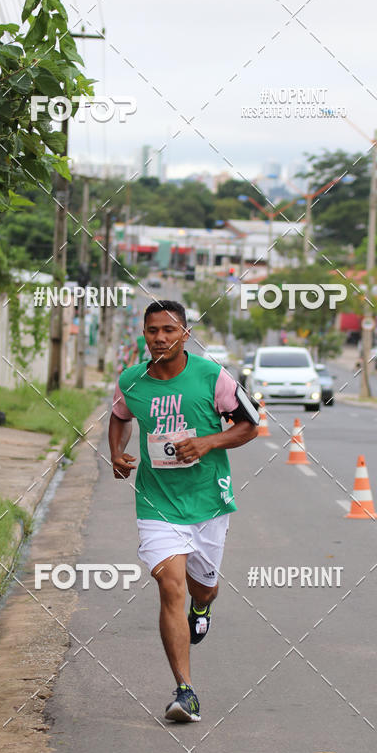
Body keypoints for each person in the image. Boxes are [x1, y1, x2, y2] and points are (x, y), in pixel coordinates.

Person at [108, 300, 258, 723]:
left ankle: (203, 607)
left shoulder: (214, 377)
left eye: (169, 330)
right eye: (153, 330)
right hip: (157, 502)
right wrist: (116, 453)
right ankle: (185, 691)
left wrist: (208, 442)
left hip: (209, 501)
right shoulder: (131, 380)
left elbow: (250, 424)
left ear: (185, 335)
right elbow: (120, 417)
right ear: (144, 334)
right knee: (169, 585)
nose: (160, 337)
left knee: (201, 588)